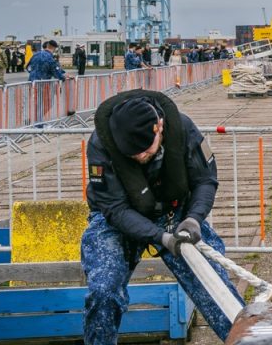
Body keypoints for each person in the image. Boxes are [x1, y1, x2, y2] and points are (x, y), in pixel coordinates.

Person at [82, 90, 242, 343]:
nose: (139, 157)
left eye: (144, 150)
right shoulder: (100, 143)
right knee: (103, 290)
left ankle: (243, 339)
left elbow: (205, 180)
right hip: (117, 218)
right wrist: (160, 237)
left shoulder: (185, 129)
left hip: (175, 212)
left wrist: (194, 218)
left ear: (159, 127)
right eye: (131, 154)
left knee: (216, 287)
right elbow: (113, 208)